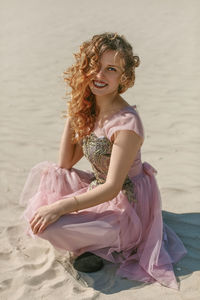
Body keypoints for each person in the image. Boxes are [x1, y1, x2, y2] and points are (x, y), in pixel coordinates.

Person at [20, 32, 187, 289]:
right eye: (94, 67)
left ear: (124, 77)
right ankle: (89, 239)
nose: (100, 75)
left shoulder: (127, 123)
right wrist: (75, 109)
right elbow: (65, 163)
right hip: (98, 186)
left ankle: (104, 244)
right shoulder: (93, 108)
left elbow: (112, 188)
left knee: (48, 227)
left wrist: (60, 207)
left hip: (126, 205)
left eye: (111, 69)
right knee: (54, 175)